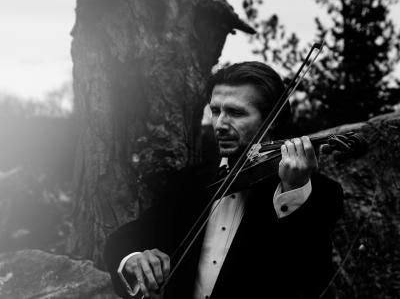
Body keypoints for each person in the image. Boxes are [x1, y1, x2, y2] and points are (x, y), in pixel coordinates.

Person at [104, 61, 343, 299]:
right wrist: (133, 258)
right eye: (216, 110)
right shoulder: (189, 182)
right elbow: (126, 238)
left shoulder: (315, 191)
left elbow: (309, 277)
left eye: (236, 113)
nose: (219, 125)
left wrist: (292, 192)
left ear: (274, 118)